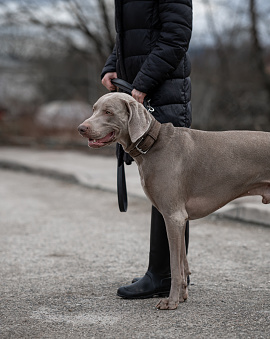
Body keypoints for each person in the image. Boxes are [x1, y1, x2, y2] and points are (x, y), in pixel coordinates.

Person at [100, 0, 193, 299]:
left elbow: (176, 36)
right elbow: (129, 36)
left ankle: (164, 276)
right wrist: (113, 65)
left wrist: (142, 83)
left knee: (168, 189)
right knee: (161, 186)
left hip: (161, 95)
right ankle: (174, 273)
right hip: (138, 92)